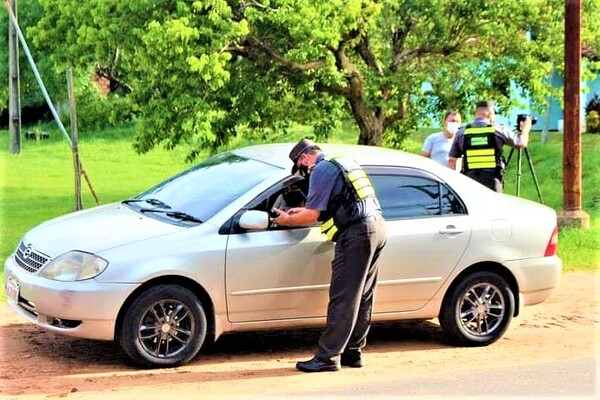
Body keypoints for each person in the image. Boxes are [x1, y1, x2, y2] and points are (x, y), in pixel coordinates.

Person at [273, 138, 387, 373]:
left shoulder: (321, 169)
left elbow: (312, 216)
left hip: (357, 234)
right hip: (377, 228)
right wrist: (301, 211)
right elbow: (341, 200)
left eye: (300, 166)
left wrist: (287, 219)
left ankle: (327, 357)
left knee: (343, 298)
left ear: (304, 158)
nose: (303, 172)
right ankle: (352, 352)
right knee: (363, 295)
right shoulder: (343, 162)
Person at [448, 100, 532, 192]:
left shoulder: (461, 132)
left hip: (469, 182)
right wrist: (526, 128)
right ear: (490, 113)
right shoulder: (498, 130)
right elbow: (521, 143)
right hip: (492, 182)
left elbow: (452, 161)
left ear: (476, 113)